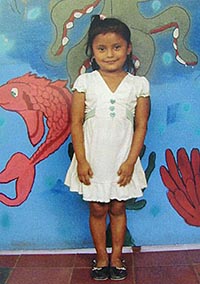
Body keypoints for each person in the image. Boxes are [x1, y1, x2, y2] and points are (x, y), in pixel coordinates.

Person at [65, 15, 150, 281]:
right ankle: (101, 257)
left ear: (128, 49)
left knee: (117, 208)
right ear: (93, 52)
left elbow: (141, 126)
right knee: (98, 209)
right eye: (102, 49)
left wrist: (130, 161)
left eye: (116, 47)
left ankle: (117, 257)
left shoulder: (139, 85)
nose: (110, 54)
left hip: (123, 158)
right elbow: (76, 124)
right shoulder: (85, 83)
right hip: (92, 159)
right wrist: (81, 160)